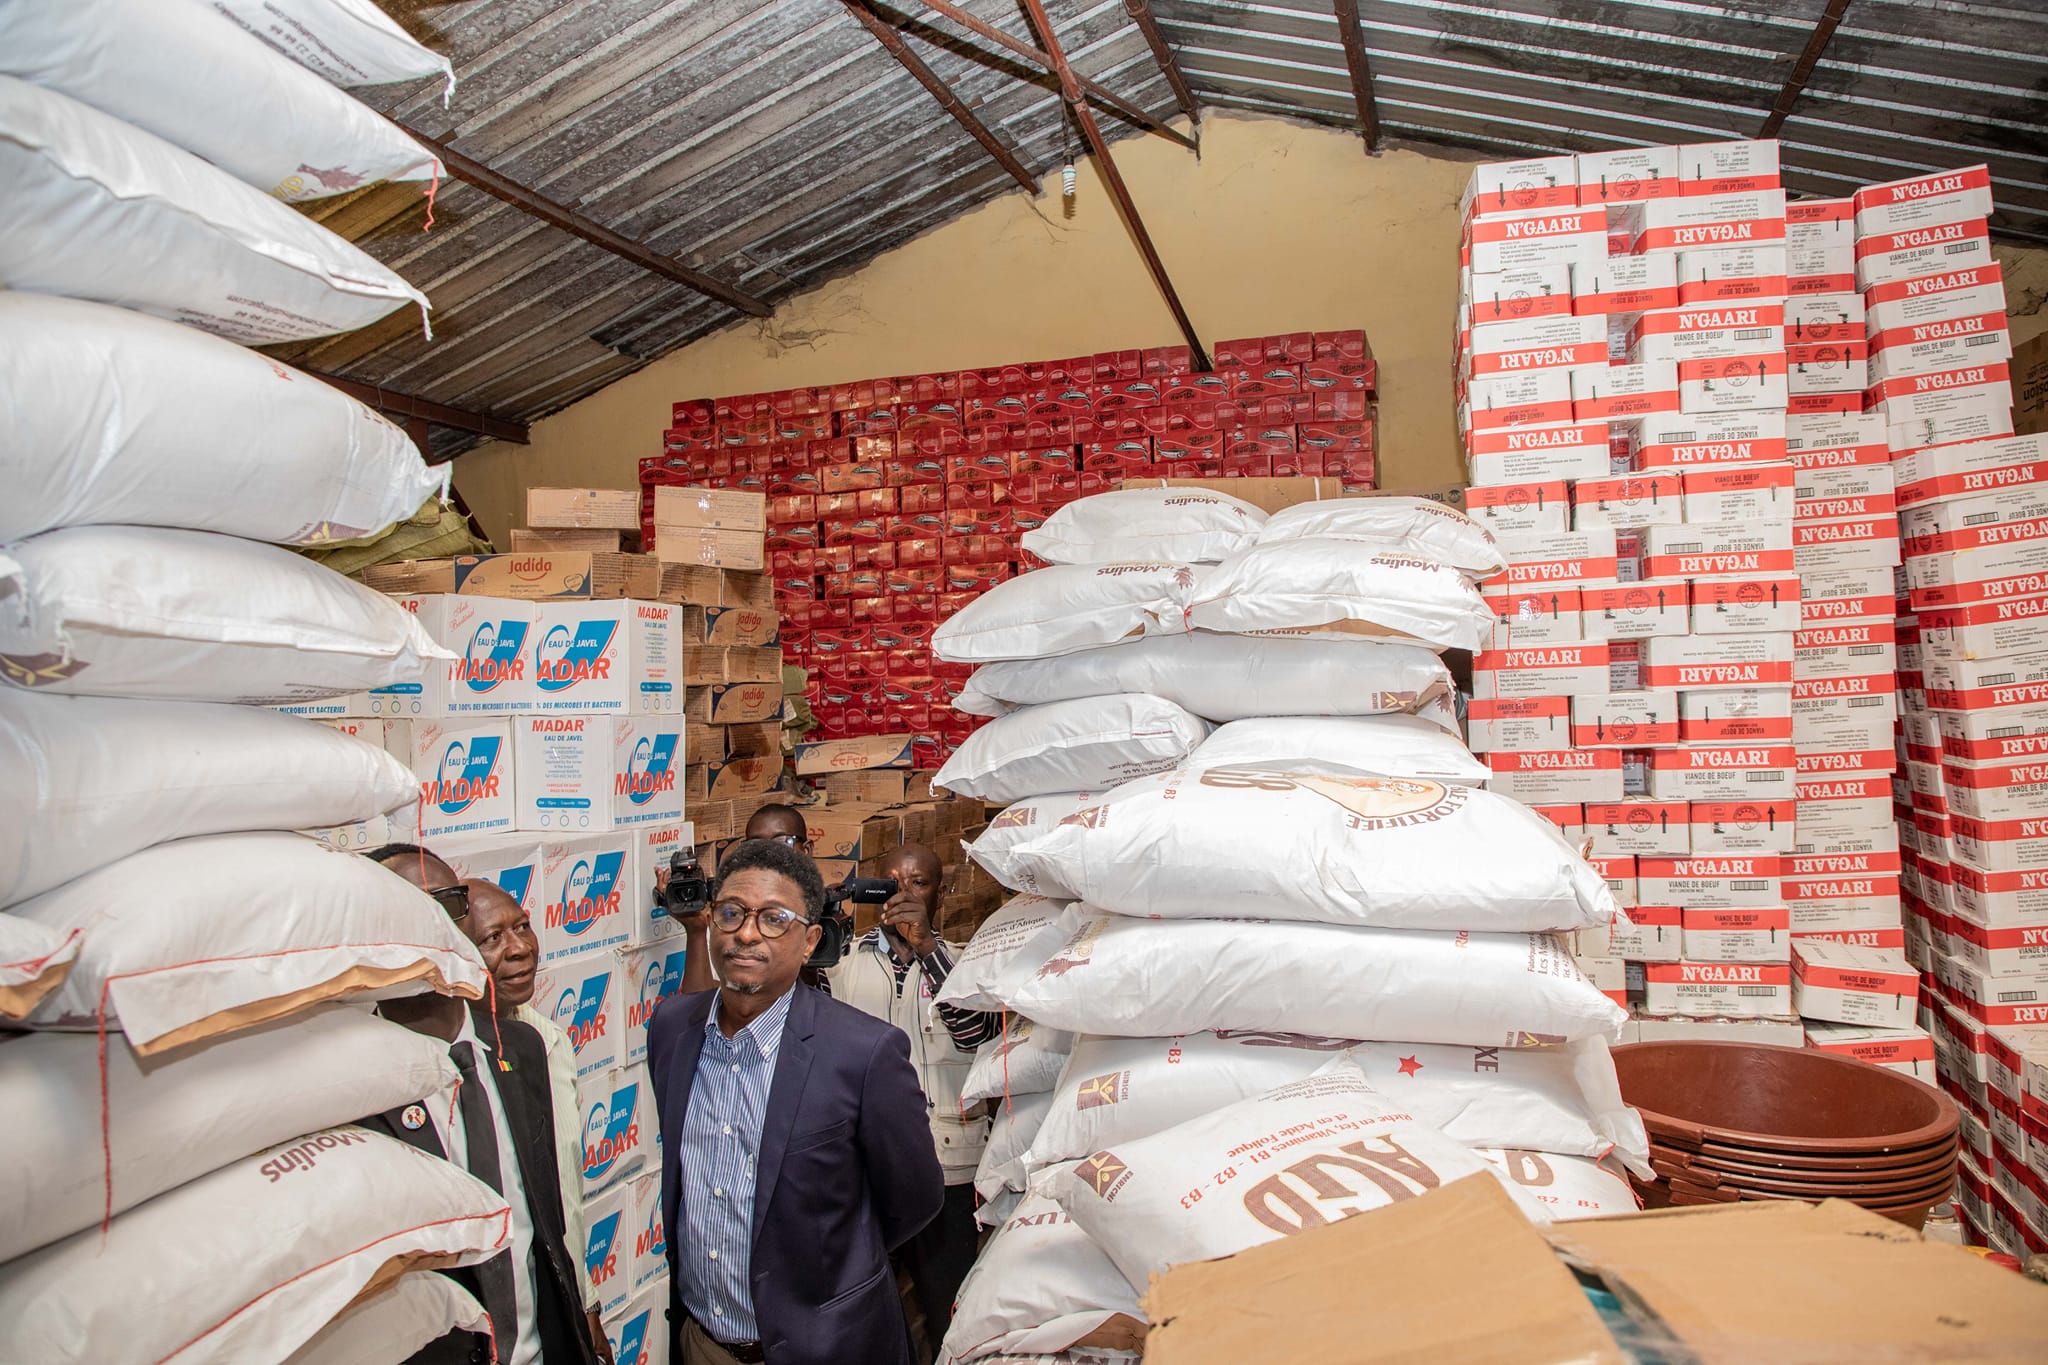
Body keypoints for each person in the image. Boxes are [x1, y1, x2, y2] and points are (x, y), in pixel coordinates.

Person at [647, 838, 943, 1365]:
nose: (747, 934)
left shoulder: (864, 1053)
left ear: (809, 942)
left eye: (774, 919)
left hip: (828, 1347)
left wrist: (836, 1268)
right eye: (732, 913)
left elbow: (914, 1198)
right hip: (704, 1343)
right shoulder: (673, 1029)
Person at [364, 844, 607, 1365]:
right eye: (405, 909)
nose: (431, 926)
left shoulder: (523, 1049)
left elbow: (548, 1226)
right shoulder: (351, 1090)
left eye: (445, 904)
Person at [824, 843, 999, 1345]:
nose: (902, 894)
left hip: (948, 1170)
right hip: (864, 1170)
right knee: (859, 1317)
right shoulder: (842, 963)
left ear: (940, 894)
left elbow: (975, 1037)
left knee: (951, 1310)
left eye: (918, 883)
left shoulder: (966, 966)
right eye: (891, 883)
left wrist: (926, 948)